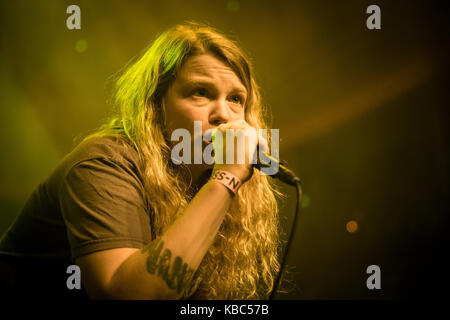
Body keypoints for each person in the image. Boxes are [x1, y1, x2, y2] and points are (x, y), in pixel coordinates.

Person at [0, 22, 282, 299]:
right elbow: (127, 296)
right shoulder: (103, 163)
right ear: (155, 105)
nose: (224, 114)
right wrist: (227, 177)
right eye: (200, 92)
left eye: (236, 98)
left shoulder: (204, 183)